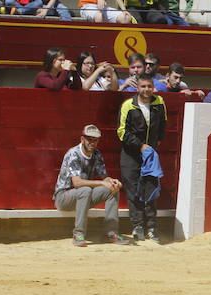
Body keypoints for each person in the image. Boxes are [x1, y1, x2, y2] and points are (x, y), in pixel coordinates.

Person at [53, 125, 130, 247]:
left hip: (84, 195)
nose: (92, 143)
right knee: (85, 190)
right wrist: (101, 183)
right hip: (63, 197)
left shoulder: (97, 154)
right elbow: (77, 183)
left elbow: (104, 178)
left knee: (112, 190)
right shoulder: (74, 154)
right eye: (89, 139)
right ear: (82, 139)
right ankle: (78, 234)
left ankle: (110, 233)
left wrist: (113, 182)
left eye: (95, 140)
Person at [118, 73, 167, 242]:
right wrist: (141, 146)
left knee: (151, 189)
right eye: (143, 86)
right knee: (133, 190)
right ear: (137, 87)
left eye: (149, 86)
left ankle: (152, 228)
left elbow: (163, 125)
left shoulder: (159, 103)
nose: (146, 90)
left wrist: (155, 143)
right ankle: (137, 226)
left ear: (153, 87)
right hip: (131, 154)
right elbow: (122, 132)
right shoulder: (128, 105)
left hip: (150, 155)